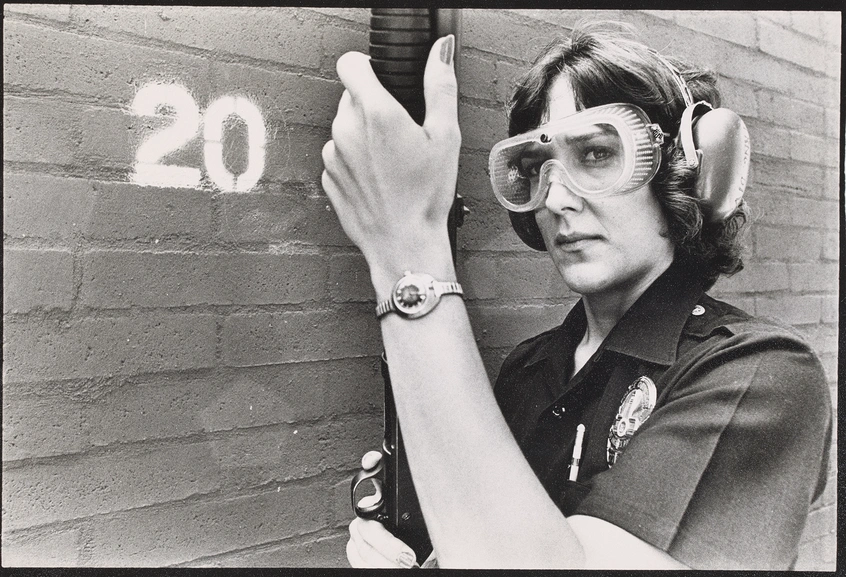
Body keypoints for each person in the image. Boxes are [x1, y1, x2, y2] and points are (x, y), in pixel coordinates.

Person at [321, 23, 831, 570]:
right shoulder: (528, 368)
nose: (556, 197)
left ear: (688, 169)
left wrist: (409, 252)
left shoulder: (761, 374)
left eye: (596, 154)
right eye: (538, 167)